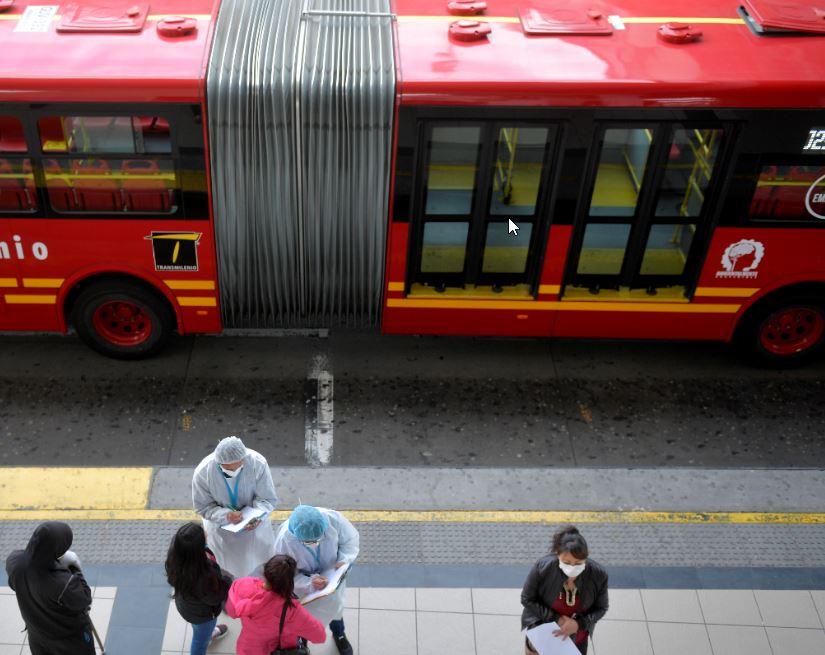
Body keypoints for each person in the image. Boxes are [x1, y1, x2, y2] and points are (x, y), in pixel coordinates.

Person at [273, 505, 359, 655]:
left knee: (336, 611)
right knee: (303, 619)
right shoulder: (284, 541)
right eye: (308, 542)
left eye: (319, 539)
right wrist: (309, 582)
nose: (315, 543)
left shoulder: (333, 519)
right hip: (306, 591)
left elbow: (350, 541)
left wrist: (344, 560)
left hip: (333, 579)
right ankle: (302, 643)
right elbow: (285, 575)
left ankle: (339, 634)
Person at [192, 435, 279, 578]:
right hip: (222, 531)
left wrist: (257, 517)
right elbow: (203, 507)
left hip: (254, 528)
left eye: (237, 467)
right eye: (227, 469)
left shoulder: (257, 463)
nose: (232, 471)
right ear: (218, 462)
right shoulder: (203, 472)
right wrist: (226, 515)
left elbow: (267, 498)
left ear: (244, 459)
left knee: (260, 566)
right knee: (226, 570)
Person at [5, 522, 95, 655]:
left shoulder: (14, 562)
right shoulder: (63, 583)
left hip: (38, 637)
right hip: (69, 641)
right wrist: (75, 569)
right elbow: (84, 599)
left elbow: (15, 584)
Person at [521, 525, 609, 655]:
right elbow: (527, 598)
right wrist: (557, 619)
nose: (572, 568)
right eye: (567, 563)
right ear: (557, 554)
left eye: (578, 563)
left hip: (576, 640)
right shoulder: (543, 568)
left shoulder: (598, 575)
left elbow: (601, 608)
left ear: (586, 557)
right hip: (542, 635)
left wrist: (578, 624)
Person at [226, 553, 327, 655]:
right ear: (290, 581)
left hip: (247, 648)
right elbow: (320, 636)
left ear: (265, 570)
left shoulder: (242, 584)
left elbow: (231, 611)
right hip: (276, 650)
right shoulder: (292, 610)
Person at [165, 522, 232, 655]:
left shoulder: (176, 556)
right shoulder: (203, 577)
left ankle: (208, 633)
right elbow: (214, 597)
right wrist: (227, 581)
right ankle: (207, 636)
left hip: (187, 606)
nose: (206, 534)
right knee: (199, 642)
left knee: (199, 630)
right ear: (197, 550)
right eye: (203, 536)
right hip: (203, 616)